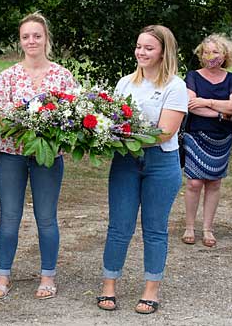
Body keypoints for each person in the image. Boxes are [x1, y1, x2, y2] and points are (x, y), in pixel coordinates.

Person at [96, 25, 187, 314]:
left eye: (148, 47)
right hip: (125, 161)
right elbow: (109, 119)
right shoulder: (125, 83)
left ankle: (151, 289)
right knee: (118, 227)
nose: (141, 52)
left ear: (163, 51)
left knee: (155, 229)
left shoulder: (175, 86)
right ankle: (109, 286)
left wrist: (123, 132)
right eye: (138, 46)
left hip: (161, 163)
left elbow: (164, 132)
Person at [0, 12, 76, 300]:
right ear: (20, 41)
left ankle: (47, 276)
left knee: (47, 218)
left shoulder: (62, 76)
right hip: (12, 155)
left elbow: (71, 119)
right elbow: (5, 119)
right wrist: (37, 124)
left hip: (48, 157)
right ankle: (3, 275)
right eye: (26, 36)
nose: (31, 41)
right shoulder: (8, 76)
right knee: (9, 217)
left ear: (46, 38)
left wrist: (44, 130)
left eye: (37, 35)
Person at [181, 34, 232, 247]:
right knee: (194, 182)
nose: (210, 56)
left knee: (214, 183)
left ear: (225, 54)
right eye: (206, 52)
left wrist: (206, 102)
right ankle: (190, 226)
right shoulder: (192, 76)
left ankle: (207, 229)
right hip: (196, 135)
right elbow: (191, 105)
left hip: (222, 138)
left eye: (215, 52)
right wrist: (220, 111)